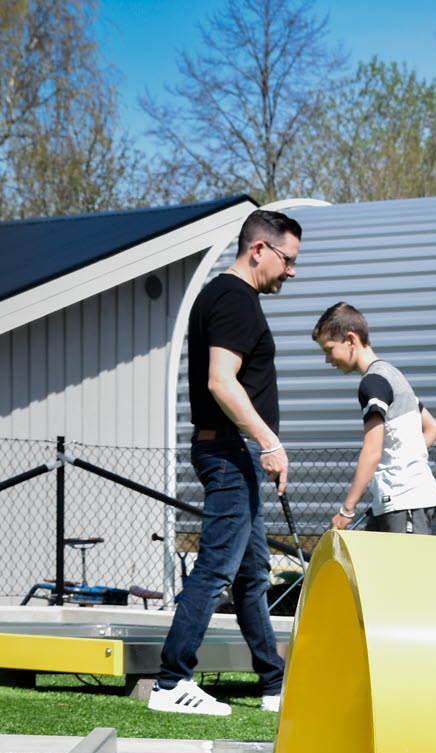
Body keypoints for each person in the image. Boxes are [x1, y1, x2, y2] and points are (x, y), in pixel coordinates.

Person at [151, 209, 302, 716]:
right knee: (217, 568)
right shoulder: (236, 299)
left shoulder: (224, 296)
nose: (292, 272)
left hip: (230, 451)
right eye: (288, 260)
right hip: (227, 453)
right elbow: (221, 380)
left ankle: (274, 684)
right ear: (258, 249)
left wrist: (257, 445)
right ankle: (171, 682)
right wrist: (270, 443)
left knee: (252, 573)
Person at [311, 302, 436, 534]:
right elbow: (432, 428)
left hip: (405, 501)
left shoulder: (373, 382)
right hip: (394, 501)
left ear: (351, 340)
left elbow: (372, 451)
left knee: (404, 572)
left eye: (329, 349)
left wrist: (346, 510)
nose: (327, 360)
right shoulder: (392, 375)